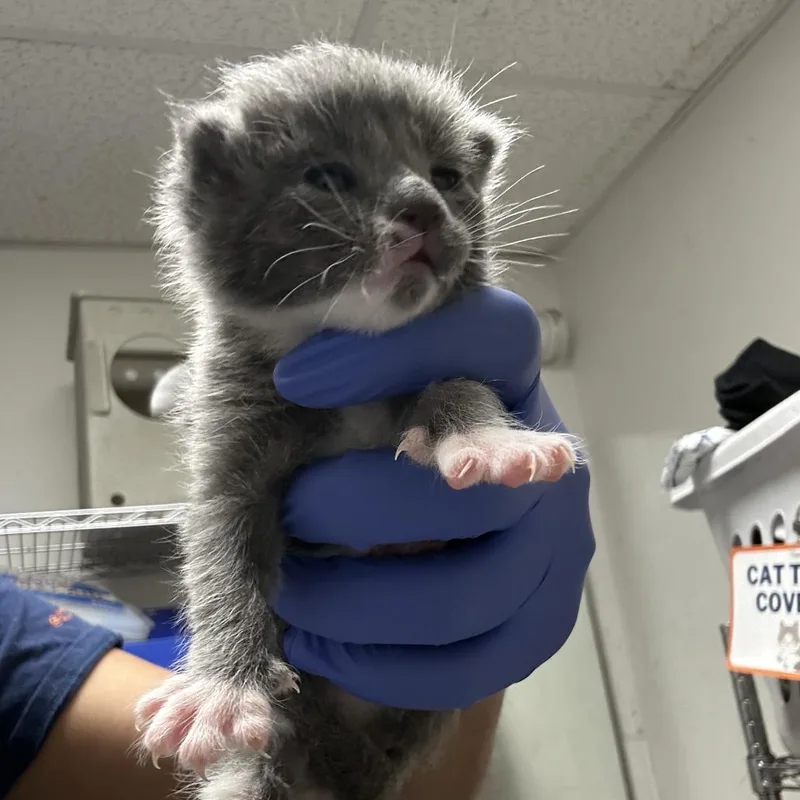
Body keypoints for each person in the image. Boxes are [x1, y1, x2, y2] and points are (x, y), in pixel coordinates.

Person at [1, 286, 594, 800]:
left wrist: (484, 615)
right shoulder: (240, 363)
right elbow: (228, 515)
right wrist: (230, 673)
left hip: (384, 731)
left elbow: (410, 790)